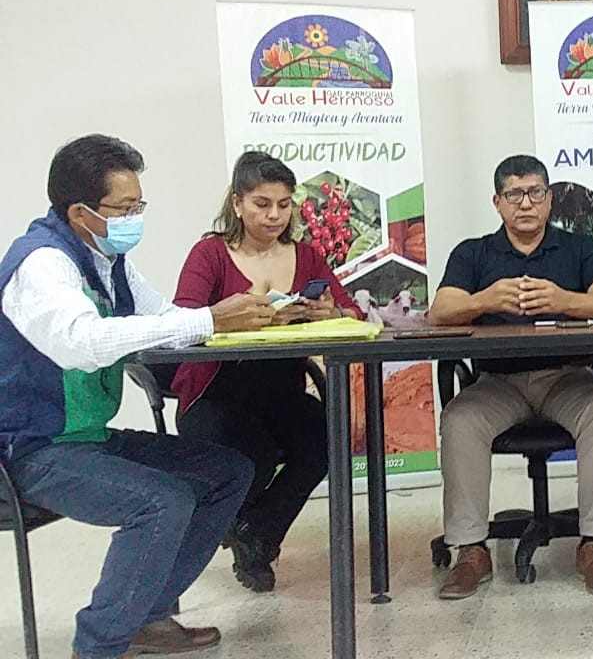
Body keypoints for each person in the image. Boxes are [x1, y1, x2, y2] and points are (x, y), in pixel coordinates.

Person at [0, 135, 271, 659]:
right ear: (79, 212)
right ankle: (98, 645)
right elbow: (81, 343)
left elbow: (166, 321)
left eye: (138, 206)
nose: (134, 219)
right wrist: (209, 319)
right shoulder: (41, 265)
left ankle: (146, 617)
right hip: (30, 448)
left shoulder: (107, 261)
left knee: (228, 472)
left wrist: (257, 316)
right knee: (161, 501)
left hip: (86, 437)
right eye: (124, 209)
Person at [428, 154, 593, 599]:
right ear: (497, 202)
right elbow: (439, 312)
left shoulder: (579, 248)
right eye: (514, 194)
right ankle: (470, 550)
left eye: (535, 193)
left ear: (549, 199)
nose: (525, 203)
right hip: (498, 382)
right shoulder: (473, 252)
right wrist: (483, 300)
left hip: (567, 377)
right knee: (460, 420)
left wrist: (562, 299)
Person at [170, 151, 360, 593]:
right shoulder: (210, 253)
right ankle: (249, 535)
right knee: (249, 453)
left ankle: (255, 532)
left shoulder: (307, 256)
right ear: (237, 203)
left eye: (284, 204)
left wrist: (330, 312)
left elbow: (350, 311)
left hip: (281, 390)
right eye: (262, 204)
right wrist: (226, 317)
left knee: (326, 437)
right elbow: (181, 320)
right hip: (215, 391)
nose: (275, 215)